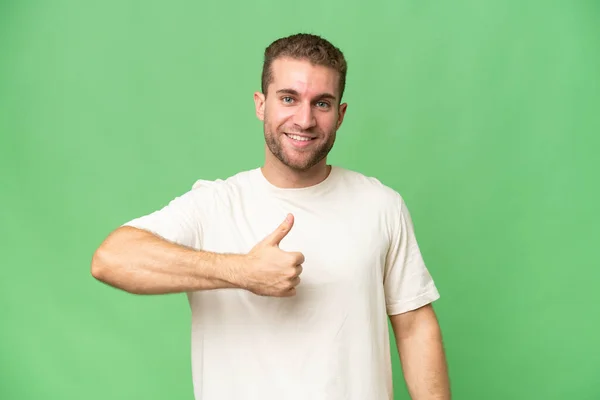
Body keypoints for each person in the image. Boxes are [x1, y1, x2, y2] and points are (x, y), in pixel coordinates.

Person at [91, 33, 451, 400]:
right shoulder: (215, 204)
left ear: (340, 115)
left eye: (322, 103)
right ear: (261, 104)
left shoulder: (380, 204)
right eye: (289, 99)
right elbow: (111, 259)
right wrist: (242, 271)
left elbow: (415, 327)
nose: (305, 119)